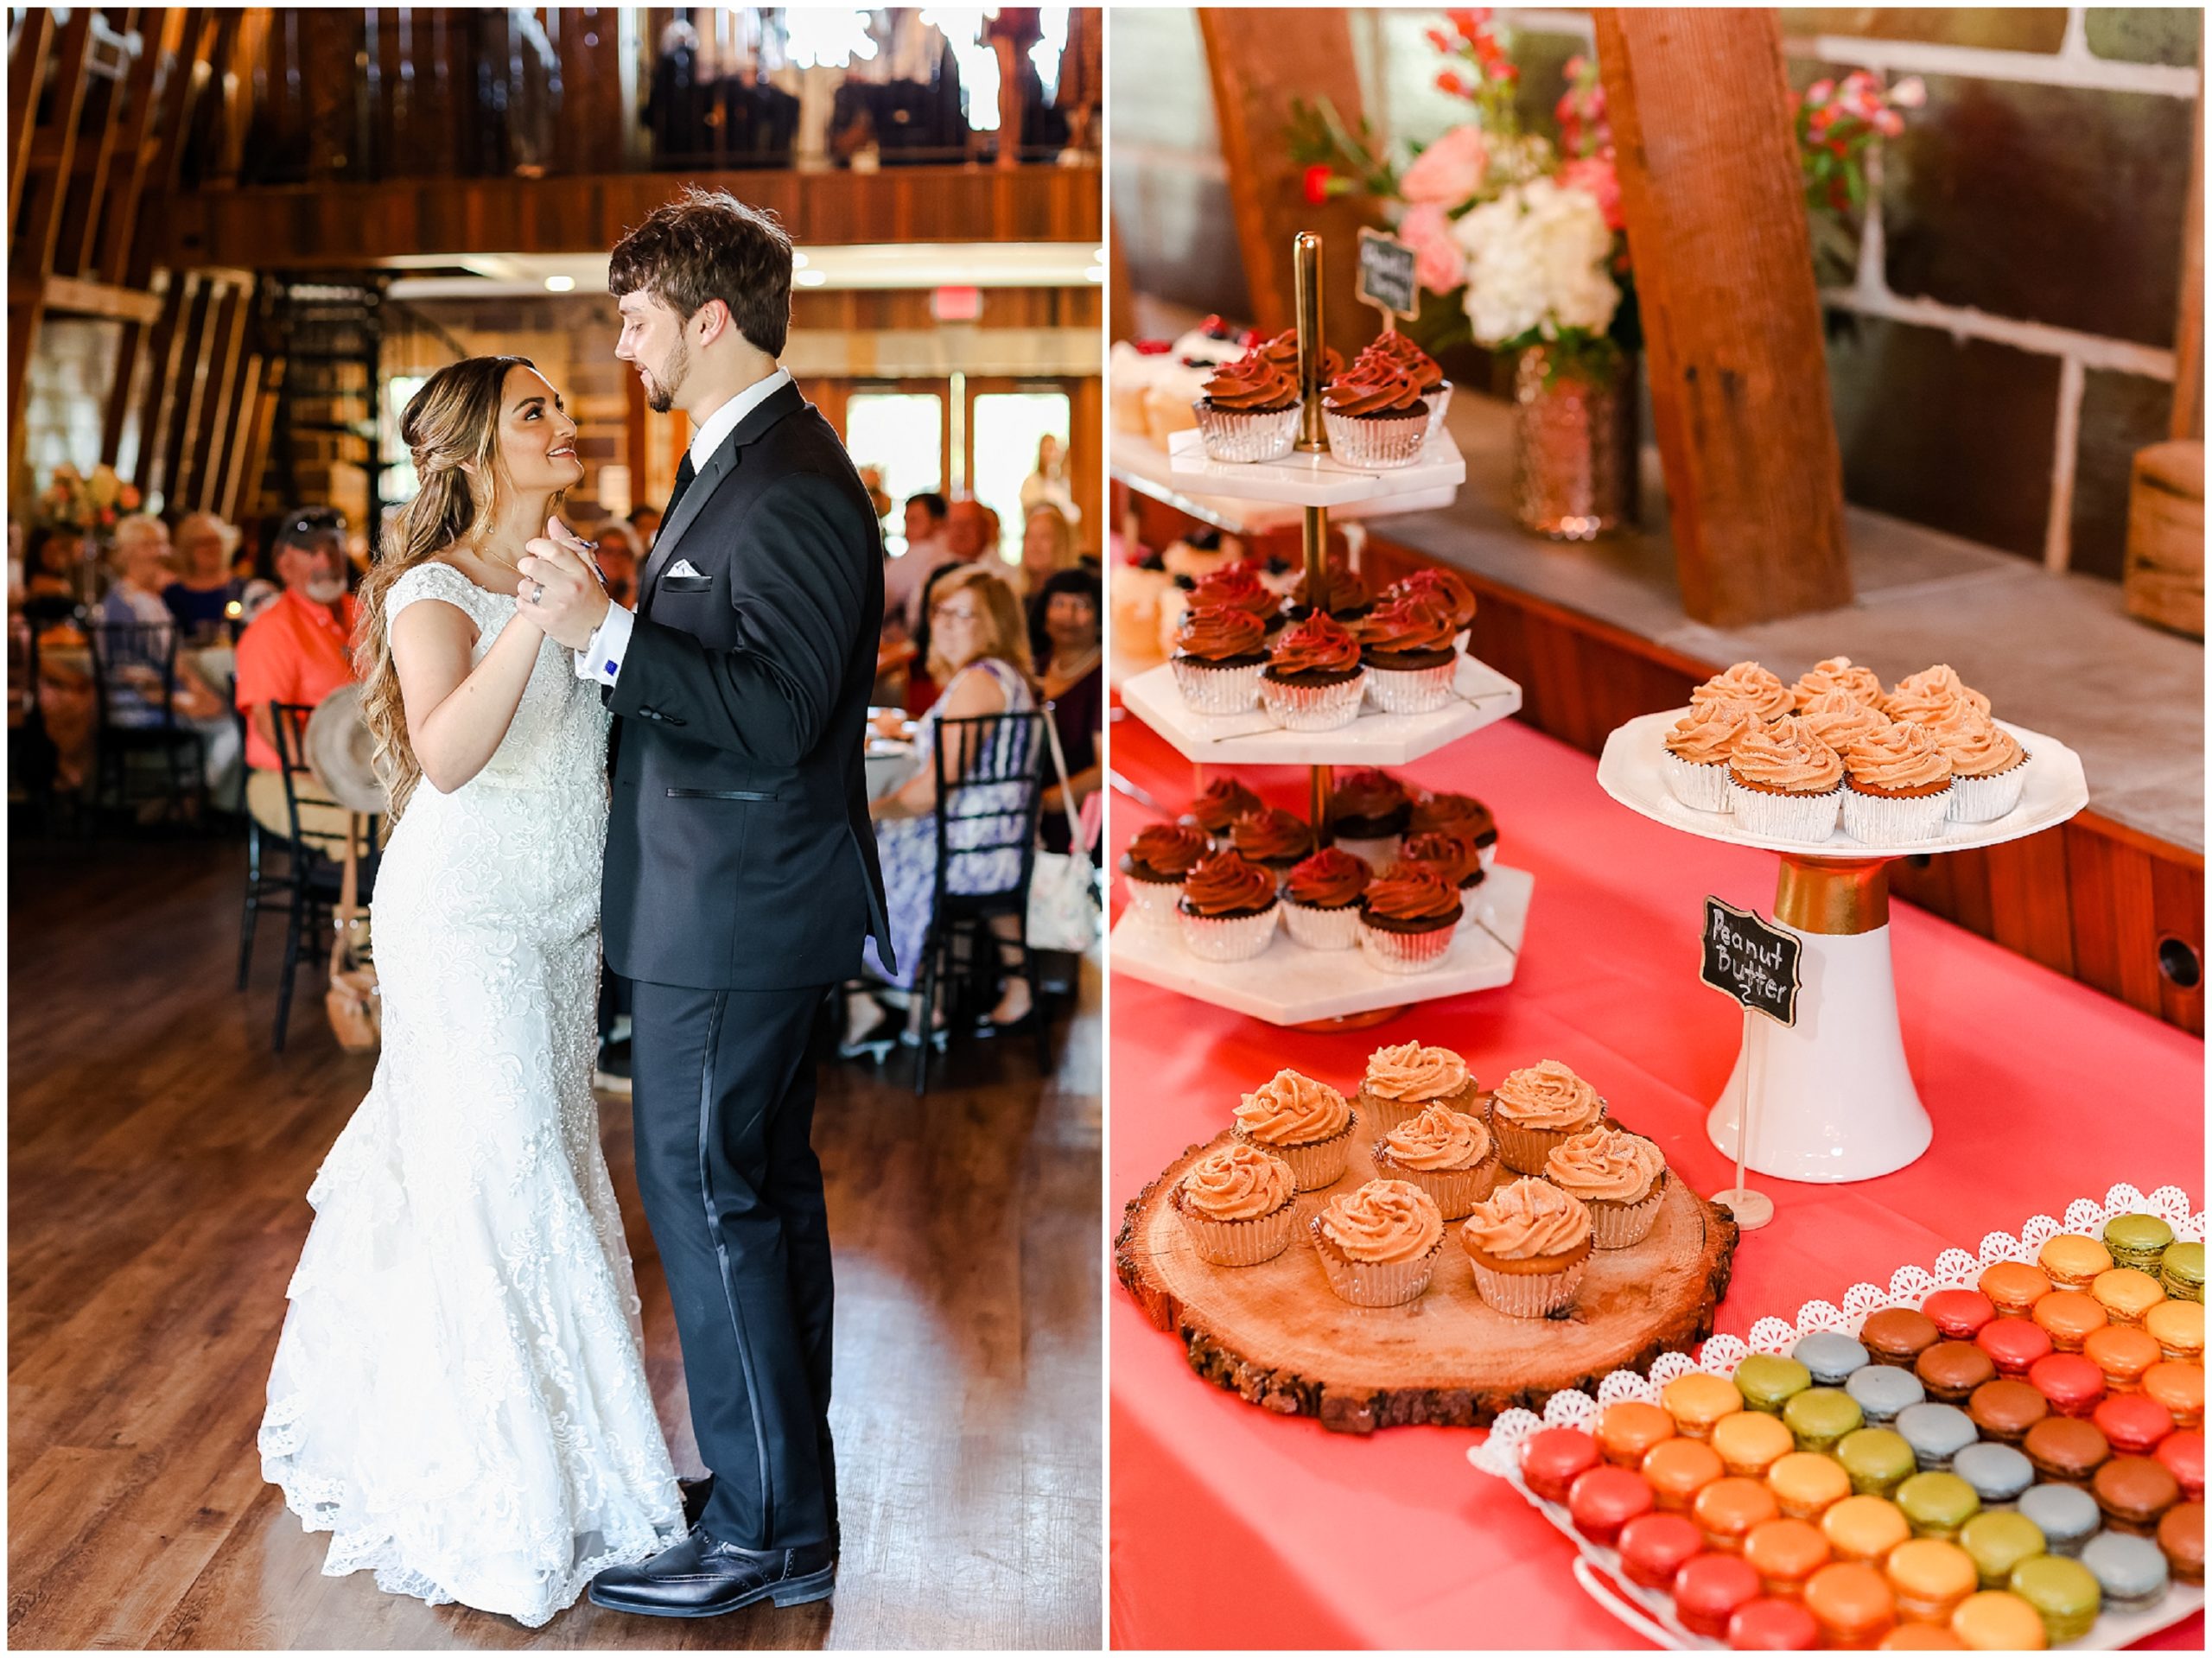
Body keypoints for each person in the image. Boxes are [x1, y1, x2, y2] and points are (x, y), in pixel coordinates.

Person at [258, 358, 687, 1627]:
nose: (567, 423)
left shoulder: (578, 562)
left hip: (563, 921)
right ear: (475, 452)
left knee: (546, 1154)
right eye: (535, 412)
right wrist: (538, 618)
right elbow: (444, 755)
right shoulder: (428, 589)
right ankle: (510, 1493)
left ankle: (571, 1451)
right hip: (466, 916)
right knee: (508, 1171)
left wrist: (586, 613)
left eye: (563, 403)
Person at [514, 187, 889, 1619]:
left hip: (737, 912)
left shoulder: (787, 480)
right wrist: (622, 625)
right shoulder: (742, 461)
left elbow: (787, 713)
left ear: (709, 316)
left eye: (636, 316)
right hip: (727, 905)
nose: (623, 345)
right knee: (760, 1200)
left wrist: (606, 632)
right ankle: (773, 1496)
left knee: (717, 1201)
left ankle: (767, 1530)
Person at [847, 562, 1038, 1052]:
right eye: (942, 612)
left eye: (964, 615)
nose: (947, 624)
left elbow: (931, 793)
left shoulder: (977, 683)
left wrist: (868, 811)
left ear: (993, 624)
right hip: (995, 843)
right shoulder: (1002, 678)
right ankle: (900, 996)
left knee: (839, 852)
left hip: (965, 848)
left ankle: (890, 998)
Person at [231, 508, 362, 840]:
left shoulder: (366, 611)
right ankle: (352, 892)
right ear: (283, 564)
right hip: (290, 778)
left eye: (333, 547)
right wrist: (334, 780)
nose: (326, 561)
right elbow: (269, 722)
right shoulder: (272, 631)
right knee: (374, 828)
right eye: (311, 552)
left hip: (367, 771)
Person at [96, 513, 240, 804]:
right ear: (132, 552)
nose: (163, 552)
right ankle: (187, 793)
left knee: (223, 715)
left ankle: (180, 792)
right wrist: (193, 695)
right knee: (234, 727)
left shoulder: (117, 598)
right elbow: (165, 663)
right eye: (153, 545)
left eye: (162, 544)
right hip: (145, 704)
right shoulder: (141, 603)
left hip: (124, 703)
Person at [1032, 564, 1103, 859]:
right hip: (1030, 823)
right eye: (1058, 603)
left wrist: (1046, 802)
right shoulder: (1034, 667)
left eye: (1081, 606)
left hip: (1079, 827)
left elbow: (1101, 769)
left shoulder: (1099, 677)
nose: (1068, 616)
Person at [162, 511, 245, 638]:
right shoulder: (172, 594)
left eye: (216, 541)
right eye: (203, 543)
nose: (211, 548)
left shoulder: (242, 589)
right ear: (188, 548)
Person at [880, 488, 949, 636]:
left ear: (937, 523)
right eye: (906, 521)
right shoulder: (953, 553)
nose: (907, 531)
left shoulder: (922, 553)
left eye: (914, 521)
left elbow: (879, 601)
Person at [1014, 500, 1077, 609]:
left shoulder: (1076, 599)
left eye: (1044, 537)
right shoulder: (1016, 598)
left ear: (1061, 543)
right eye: (1030, 536)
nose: (1035, 545)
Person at [594, 520, 641, 607]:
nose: (615, 559)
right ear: (595, 554)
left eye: (623, 553)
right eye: (608, 551)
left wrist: (631, 587)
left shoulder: (640, 594)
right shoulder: (583, 591)